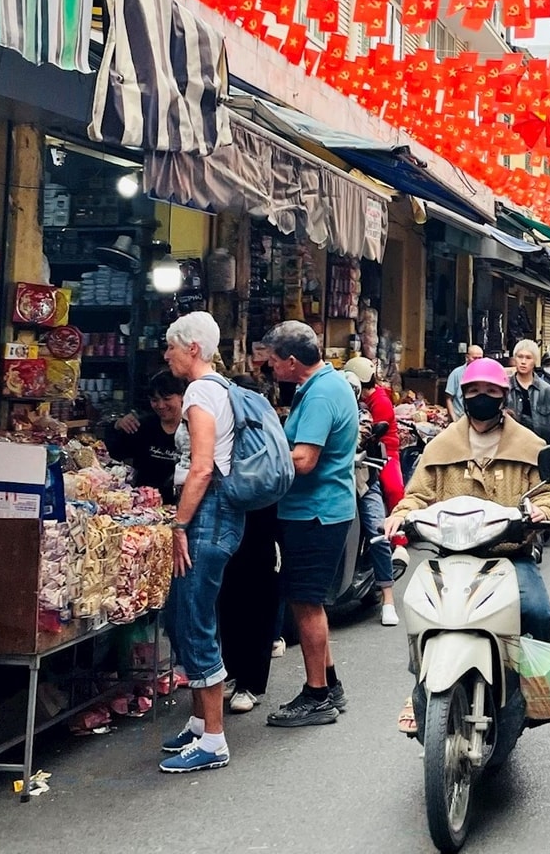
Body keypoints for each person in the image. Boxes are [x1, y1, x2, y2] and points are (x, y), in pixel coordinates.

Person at [386, 359, 550, 733]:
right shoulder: (440, 447)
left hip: (508, 556)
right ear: (464, 396)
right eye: (474, 392)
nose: (482, 398)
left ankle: (534, 687)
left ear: (504, 396)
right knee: (418, 610)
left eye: (491, 392)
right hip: (450, 557)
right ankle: (419, 685)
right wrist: (401, 514)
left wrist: (539, 511)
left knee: (538, 613)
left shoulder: (529, 446)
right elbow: (417, 495)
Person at [262, 321, 360, 729]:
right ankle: (330, 684)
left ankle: (316, 695)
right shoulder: (325, 385)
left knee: (305, 601)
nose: (269, 368)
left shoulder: (320, 393)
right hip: (319, 509)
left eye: (272, 361)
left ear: (290, 361)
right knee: (309, 601)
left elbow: (303, 460)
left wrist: (259, 463)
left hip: (315, 512)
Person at [155, 313, 242, 773]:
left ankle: (213, 739)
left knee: (195, 615)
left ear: (192, 349)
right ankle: (197, 722)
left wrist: (180, 525)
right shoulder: (218, 388)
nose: (165, 354)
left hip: (208, 513)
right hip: (214, 512)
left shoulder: (202, 391)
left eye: (171, 346)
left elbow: (203, 466)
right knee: (181, 611)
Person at [216, 359, 280, 717]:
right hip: (231, 522)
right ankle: (233, 671)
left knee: (256, 600)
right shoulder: (222, 429)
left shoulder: (266, 434)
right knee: (229, 598)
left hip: (260, 523)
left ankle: (250, 682)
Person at [342, 357, 401, 629]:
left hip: (363, 480)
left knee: (377, 531)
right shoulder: (330, 411)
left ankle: (387, 597)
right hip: (333, 483)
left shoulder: (363, 413)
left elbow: (364, 433)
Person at [102, 373, 185, 494]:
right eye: (155, 400)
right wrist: (117, 425)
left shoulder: (192, 429)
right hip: (143, 503)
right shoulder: (143, 426)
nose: (161, 405)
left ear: (181, 396)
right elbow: (114, 453)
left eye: (167, 399)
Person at [505, 338, 550, 447]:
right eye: (520, 356)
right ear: (514, 358)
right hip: (512, 449)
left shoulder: (547, 391)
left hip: (539, 448)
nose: (523, 361)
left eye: (528, 357)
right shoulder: (505, 388)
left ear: (535, 361)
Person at [444, 343, 482, 417]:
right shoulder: (456, 373)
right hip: (460, 417)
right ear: (467, 357)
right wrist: (454, 419)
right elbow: (448, 398)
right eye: (474, 358)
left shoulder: (485, 374)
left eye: (480, 358)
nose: (477, 361)